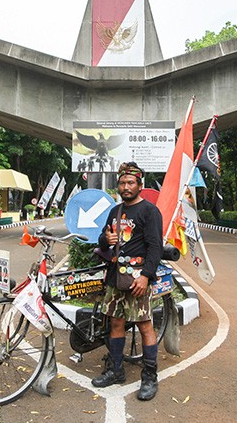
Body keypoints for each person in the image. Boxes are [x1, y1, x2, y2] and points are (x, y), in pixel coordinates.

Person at [92, 162, 164, 401]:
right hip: (115, 278)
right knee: (115, 323)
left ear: (139, 185)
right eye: (122, 183)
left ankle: (150, 377)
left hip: (137, 279)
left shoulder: (149, 212)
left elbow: (156, 247)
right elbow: (103, 241)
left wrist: (146, 276)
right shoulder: (115, 211)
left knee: (145, 325)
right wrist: (106, 238)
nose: (126, 187)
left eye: (130, 183)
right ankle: (116, 370)